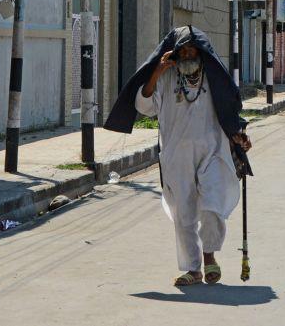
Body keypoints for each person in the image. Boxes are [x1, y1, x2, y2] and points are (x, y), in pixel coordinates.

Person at [105, 26, 251, 286]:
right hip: (176, 155)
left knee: (212, 206)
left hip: (213, 151)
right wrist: (157, 71)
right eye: (182, 50)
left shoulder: (213, 77)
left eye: (192, 49)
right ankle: (193, 269)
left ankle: (209, 257)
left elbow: (229, 111)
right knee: (184, 213)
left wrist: (238, 134)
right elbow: (144, 106)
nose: (187, 54)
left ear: (202, 52)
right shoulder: (165, 77)